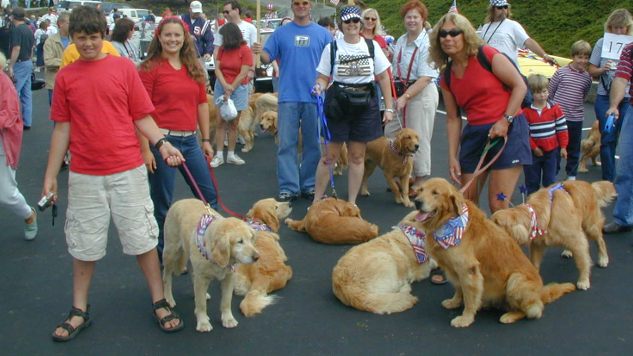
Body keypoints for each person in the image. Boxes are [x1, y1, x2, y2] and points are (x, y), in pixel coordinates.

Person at [44, 6, 185, 342]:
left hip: (128, 170)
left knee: (143, 239)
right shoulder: (66, 76)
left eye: (94, 37)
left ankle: (159, 300)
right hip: (83, 174)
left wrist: (161, 143)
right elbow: (61, 130)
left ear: (104, 36)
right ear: (72, 39)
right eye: (82, 38)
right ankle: (79, 309)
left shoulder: (123, 68)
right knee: (84, 244)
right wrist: (51, 176)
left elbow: (141, 115)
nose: (89, 44)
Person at [430, 12, 530, 213]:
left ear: (465, 34)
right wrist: (452, 157)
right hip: (476, 135)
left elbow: (520, 86)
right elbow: (453, 118)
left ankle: (506, 243)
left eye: (454, 33)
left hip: (508, 132)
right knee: (465, 205)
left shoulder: (487, 55)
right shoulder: (447, 75)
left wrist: (505, 120)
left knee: (498, 204)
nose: (448, 38)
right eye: (443, 34)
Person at [139, 16, 218, 258]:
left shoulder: (193, 66)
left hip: (190, 141)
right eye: (168, 35)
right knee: (162, 203)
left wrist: (206, 139)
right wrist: (145, 150)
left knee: (209, 199)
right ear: (159, 37)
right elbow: (139, 112)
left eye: (177, 35)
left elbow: (202, 105)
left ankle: (208, 248)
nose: (172, 39)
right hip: (161, 142)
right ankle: (166, 256)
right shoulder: (149, 68)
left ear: (185, 38)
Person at [312, 6, 394, 205]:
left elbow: (383, 77)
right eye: (347, 21)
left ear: (361, 23)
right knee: (329, 156)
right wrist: (318, 87)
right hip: (338, 104)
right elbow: (323, 77)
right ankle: (315, 202)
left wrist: (389, 108)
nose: (352, 25)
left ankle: (352, 203)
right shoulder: (332, 47)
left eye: (355, 21)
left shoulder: (372, 46)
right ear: (341, 24)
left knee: (357, 156)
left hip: (365, 105)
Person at [252, 0, 332, 202]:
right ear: (292, 6)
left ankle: (310, 185)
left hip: (314, 96)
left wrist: (325, 87)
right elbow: (266, 58)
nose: (301, 6)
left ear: (310, 5)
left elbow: (333, 64)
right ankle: (288, 186)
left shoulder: (323, 34)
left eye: (305, 2)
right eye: (297, 2)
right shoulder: (281, 33)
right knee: (286, 143)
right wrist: (259, 50)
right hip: (288, 95)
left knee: (313, 144)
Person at [385, 0, 439, 193]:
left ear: (423, 19)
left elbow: (425, 77)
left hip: (419, 93)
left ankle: (420, 179)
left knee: (418, 136)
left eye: (416, 17)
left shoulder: (427, 43)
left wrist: (406, 97)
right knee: (392, 133)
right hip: (401, 92)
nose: (412, 20)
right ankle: (402, 172)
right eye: (408, 17)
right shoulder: (401, 40)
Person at [588, 9, 633, 182]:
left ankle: (625, 177)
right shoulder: (602, 43)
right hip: (605, 96)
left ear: (628, 28)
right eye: (615, 28)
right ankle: (608, 179)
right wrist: (602, 69)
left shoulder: (631, 46)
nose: (618, 32)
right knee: (608, 136)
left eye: (622, 28)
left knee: (627, 137)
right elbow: (591, 69)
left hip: (627, 97)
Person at [0, 51, 37, 241]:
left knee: (6, 194)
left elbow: (10, 113)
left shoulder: (3, 82)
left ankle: (28, 215)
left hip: (2, 144)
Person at [548, 40, 593, 181]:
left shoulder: (587, 78)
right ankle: (552, 175)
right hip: (558, 118)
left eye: (586, 58)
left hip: (576, 118)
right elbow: (551, 92)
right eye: (580, 57)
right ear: (573, 56)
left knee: (573, 148)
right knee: (555, 147)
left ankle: (571, 175)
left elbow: (584, 95)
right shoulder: (561, 73)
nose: (583, 61)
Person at [210, 21, 253, 167]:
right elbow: (217, 69)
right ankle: (219, 154)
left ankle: (231, 154)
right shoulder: (222, 49)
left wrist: (231, 88)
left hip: (239, 88)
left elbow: (244, 72)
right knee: (220, 121)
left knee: (234, 122)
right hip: (222, 85)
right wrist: (225, 86)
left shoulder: (245, 49)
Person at [603, 42, 633, 233]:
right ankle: (623, 218)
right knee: (626, 167)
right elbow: (621, 79)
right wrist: (614, 105)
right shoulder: (630, 50)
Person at [523, 74, 569, 195]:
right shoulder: (526, 112)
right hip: (533, 153)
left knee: (550, 180)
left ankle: (550, 203)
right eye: (538, 93)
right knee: (532, 181)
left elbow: (562, 128)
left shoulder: (555, 108)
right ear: (531, 94)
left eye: (544, 91)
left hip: (552, 151)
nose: (542, 95)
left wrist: (563, 147)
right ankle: (532, 204)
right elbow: (525, 133)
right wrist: (534, 147)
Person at [479, 0, 558, 67]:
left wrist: (545, 56)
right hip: (490, 68)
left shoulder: (513, 25)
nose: (503, 10)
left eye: (505, 7)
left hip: (509, 69)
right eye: (499, 7)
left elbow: (528, 41)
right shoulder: (485, 27)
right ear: (492, 10)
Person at [7, 7, 34, 130]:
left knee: (13, 92)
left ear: (13, 17)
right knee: (26, 94)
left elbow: (16, 47)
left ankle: (12, 119)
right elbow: (32, 48)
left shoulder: (17, 30)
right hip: (27, 61)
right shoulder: (29, 30)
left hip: (20, 63)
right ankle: (27, 121)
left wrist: (11, 66)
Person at [181, 1, 214, 78]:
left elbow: (210, 39)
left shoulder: (203, 23)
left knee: (202, 76)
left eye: (198, 12)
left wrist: (208, 52)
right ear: (190, 9)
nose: (196, 14)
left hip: (198, 55)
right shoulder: (181, 20)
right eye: (195, 12)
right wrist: (186, 36)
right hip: (182, 55)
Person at [44, 12, 69, 106]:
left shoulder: (75, 40)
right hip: (54, 84)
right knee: (57, 117)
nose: (71, 26)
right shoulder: (50, 41)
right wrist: (68, 62)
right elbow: (48, 61)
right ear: (60, 24)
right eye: (68, 23)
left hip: (72, 84)